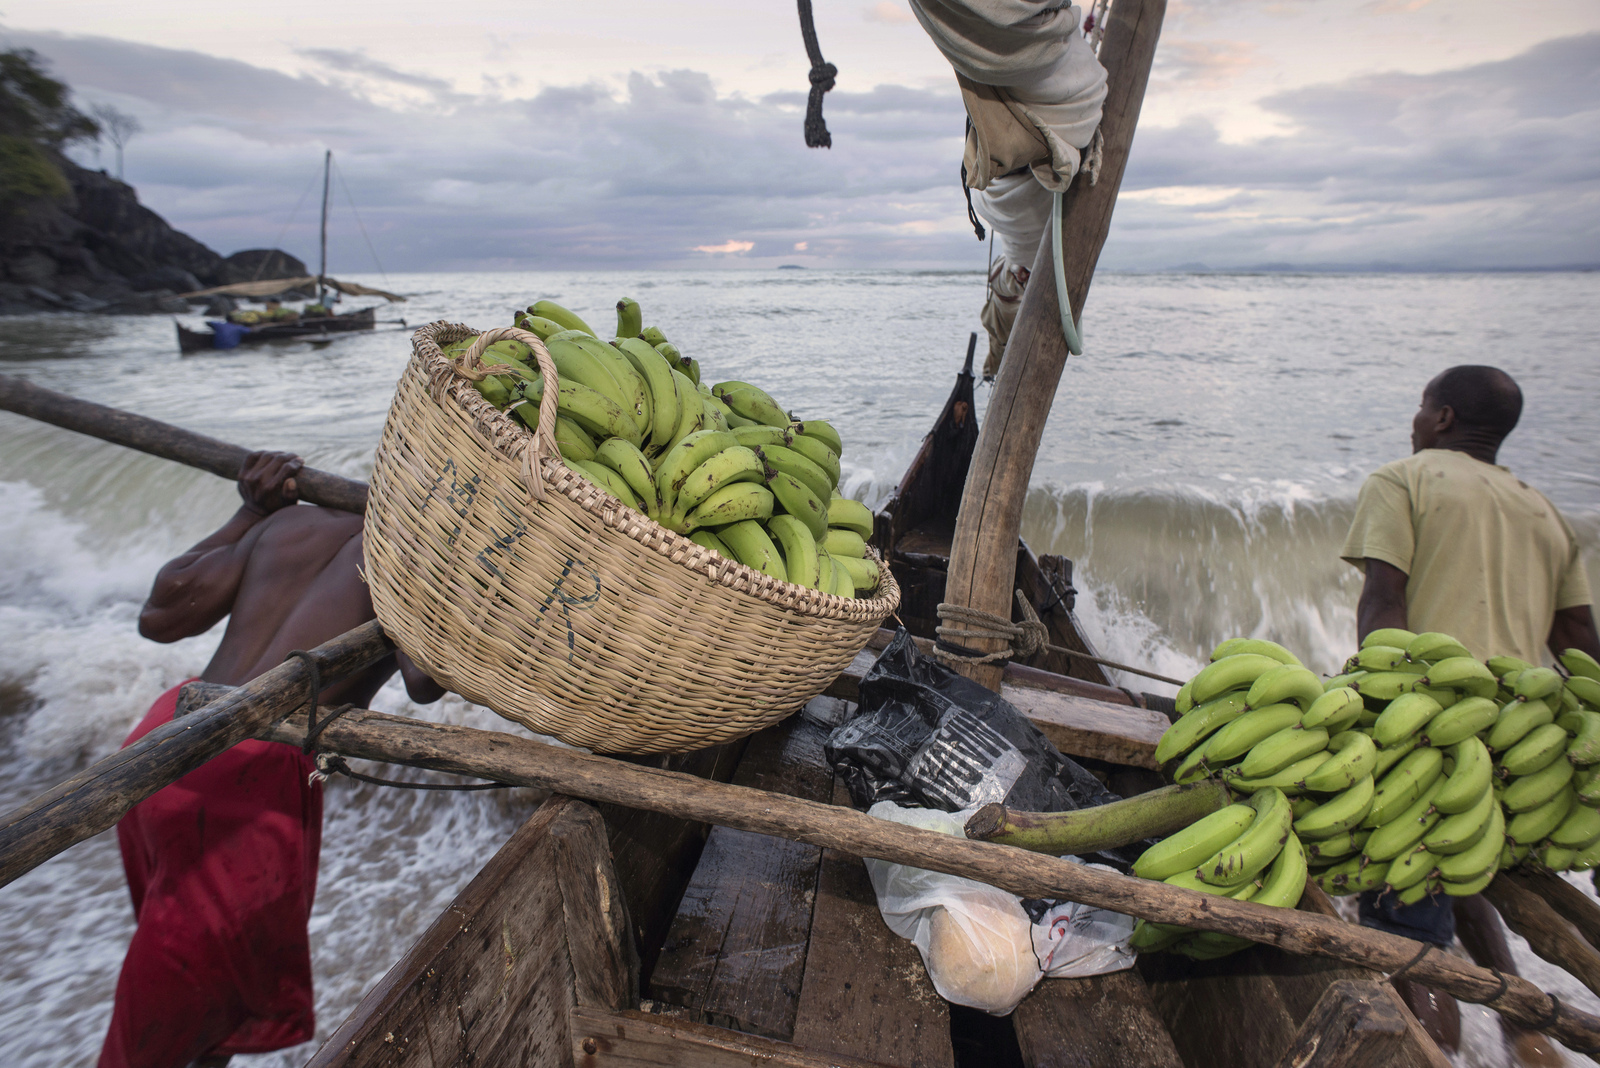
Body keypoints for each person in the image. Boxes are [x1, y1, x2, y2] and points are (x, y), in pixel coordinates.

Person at [99, 451, 444, 1068]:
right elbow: (424, 681)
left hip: (168, 732)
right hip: (250, 769)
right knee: (159, 1026)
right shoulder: (415, 559)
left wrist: (249, 514)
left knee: (195, 984)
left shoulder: (293, 524)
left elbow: (162, 616)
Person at [1340, 364, 1599, 1067]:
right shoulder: (1541, 508)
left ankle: (1433, 1047)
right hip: (1526, 749)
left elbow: (1384, 601)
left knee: (1410, 922)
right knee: (1471, 870)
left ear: (1444, 419)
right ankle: (1527, 1034)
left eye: (1422, 409)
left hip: (1433, 735)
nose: (1416, 421)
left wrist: (1373, 707)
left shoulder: (1406, 479)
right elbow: (1578, 642)